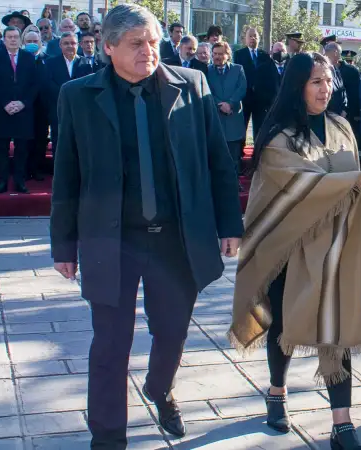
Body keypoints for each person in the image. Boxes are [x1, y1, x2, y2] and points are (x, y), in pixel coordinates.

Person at [50, 5, 243, 448]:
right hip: (112, 240)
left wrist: (229, 223)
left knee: (172, 331)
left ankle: (160, 390)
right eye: (137, 43)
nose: (149, 50)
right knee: (110, 346)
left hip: (175, 239)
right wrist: (64, 245)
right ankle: (108, 436)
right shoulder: (77, 95)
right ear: (109, 47)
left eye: (154, 40)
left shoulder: (191, 85)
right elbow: (67, 172)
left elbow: (218, 159)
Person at [230, 51, 361, 450]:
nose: (326, 89)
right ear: (297, 86)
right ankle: (276, 391)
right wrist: (359, 178)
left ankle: (342, 426)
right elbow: (297, 185)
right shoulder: (278, 138)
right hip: (288, 246)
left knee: (337, 327)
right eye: (316, 82)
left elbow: (350, 183)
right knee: (284, 326)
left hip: (336, 247)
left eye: (329, 80)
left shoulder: (342, 126)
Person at [0, 26, 40, 194]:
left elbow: (35, 84)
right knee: (1, 149)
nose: (13, 40)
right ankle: (1, 182)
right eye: (10, 37)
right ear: (4, 39)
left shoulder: (29, 58)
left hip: (23, 111)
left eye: (16, 37)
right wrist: (5, 103)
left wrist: (23, 103)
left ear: (20, 39)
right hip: (2, 110)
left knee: (22, 149)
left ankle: (19, 181)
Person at [207, 41, 246, 187]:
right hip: (216, 118)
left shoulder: (238, 69)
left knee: (234, 155)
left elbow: (242, 88)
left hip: (233, 117)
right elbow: (207, 90)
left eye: (220, 54)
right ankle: (218, 183)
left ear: (227, 54)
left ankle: (234, 182)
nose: (217, 57)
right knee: (217, 154)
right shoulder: (207, 70)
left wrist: (230, 103)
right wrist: (220, 104)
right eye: (215, 54)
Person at [44, 32, 78, 157]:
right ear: (60, 45)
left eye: (73, 43)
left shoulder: (85, 63)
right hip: (58, 109)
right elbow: (48, 84)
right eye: (66, 43)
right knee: (59, 142)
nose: (70, 46)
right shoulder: (50, 63)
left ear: (77, 45)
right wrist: (66, 95)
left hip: (80, 109)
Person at [233, 26, 269, 140]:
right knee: (242, 125)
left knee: (259, 127)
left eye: (255, 36)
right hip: (245, 96)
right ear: (245, 39)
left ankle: (257, 152)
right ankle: (240, 152)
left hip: (260, 98)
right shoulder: (239, 54)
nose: (253, 38)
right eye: (250, 36)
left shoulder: (265, 55)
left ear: (259, 38)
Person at [22, 29, 50, 181]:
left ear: (40, 42)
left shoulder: (48, 59)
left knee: (40, 139)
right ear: (24, 43)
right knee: (25, 140)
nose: (32, 44)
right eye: (29, 42)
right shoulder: (20, 59)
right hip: (24, 107)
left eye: (35, 41)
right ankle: (24, 169)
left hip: (42, 107)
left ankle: (37, 168)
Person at [254, 42, 287, 131]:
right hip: (268, 111)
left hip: (287, 111)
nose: (280, 53)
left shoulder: (292, 68)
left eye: (282, 50)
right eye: (277, 50)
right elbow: (259, 90)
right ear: (271, 52)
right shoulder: (262, 69)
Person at [339, 49, 361, 155]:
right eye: (347, 61)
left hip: (351, 112)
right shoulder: (338, 70)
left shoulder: (353, 71)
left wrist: (357, 113)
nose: (349, 63)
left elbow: (357, 94)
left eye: (350, 61)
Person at [324, 42, 347, 117]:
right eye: (340, 53)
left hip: (339, 115)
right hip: (327, 114)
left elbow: (342, 90)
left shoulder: (336, 69)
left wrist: (344, 109)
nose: (340, 56)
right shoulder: (321, 68)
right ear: (335, 52)